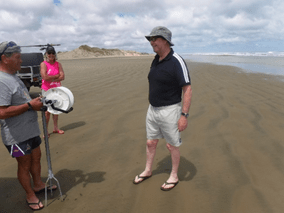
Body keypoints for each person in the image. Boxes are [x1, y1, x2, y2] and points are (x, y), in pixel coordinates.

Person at [133, 26, 192, 191]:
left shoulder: (176, 61)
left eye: (154, 39)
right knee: (151, 142)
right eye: (150, 40)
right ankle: (148, 170)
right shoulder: (155, 59)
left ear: (165, 40)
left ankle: (174, 175)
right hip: (152, 109)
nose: (151, 43)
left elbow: (187, 89)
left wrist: (184, 115)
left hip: (170, 111)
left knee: (172, 145)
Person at [0, 41, 57, 211]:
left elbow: (24, 100)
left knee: (36, 157)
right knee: (24, 164)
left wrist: (36, 102)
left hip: (31, 130)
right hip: (16, 135)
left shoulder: (14, 76)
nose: (21, 61)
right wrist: (30, 106)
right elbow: (1, 113)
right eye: (18, 58)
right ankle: (30, 195)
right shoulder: (2, 81)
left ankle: (38, 184)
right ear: (5, 59)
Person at [40, 45, 65, 137]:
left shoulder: (58, 64)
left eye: (52, 53)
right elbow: (44, 77)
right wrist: (56, 76)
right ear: (46, 54)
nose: (51, 55)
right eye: (49, 53)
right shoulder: (43, 64)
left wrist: (54, 79)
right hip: (47, 90)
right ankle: (46, 130)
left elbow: (62, 76)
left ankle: (55, 128)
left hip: (57, 90)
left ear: (55, 54)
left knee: (56, 110)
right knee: (47, 111)